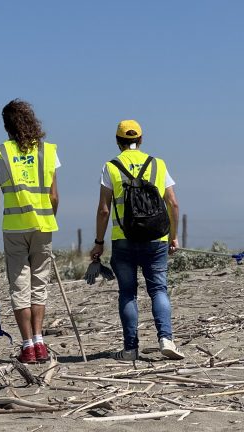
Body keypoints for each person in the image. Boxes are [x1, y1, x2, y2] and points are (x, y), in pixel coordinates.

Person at [89, 120, 184, 361]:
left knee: (128, 293)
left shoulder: (110, 167)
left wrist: (99, 242)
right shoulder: (158, 164)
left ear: (118, 142)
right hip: (157, 238)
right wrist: (173, 236)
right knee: (159, 289)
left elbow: (103, 209)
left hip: (124, 239)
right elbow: (173, 202)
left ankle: (130, 348)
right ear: (141, 139)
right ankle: (166, 338)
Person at [0, 99, 60, 364]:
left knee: (19, 287)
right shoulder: (47, 151)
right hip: (43, 226)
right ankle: (40, 343)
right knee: (39, 285)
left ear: (6, 126)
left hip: (15, 228)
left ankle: (28, 346)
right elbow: (54, 197)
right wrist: (49, 219)